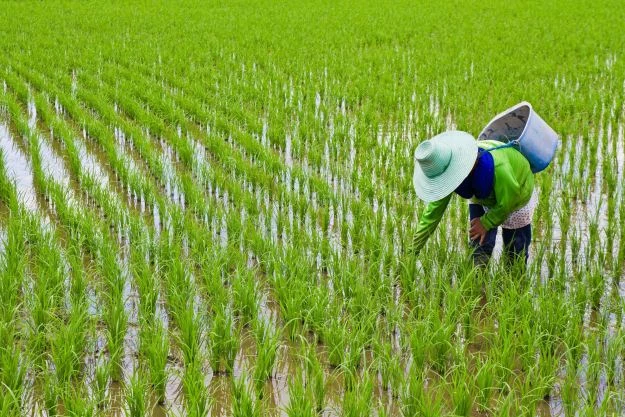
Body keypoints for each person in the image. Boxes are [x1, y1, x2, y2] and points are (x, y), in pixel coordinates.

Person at [409, 130, 536, 267]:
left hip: (517, 193)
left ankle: (515, 282)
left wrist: (486, 222)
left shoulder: (499, 168)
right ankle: (478, 283)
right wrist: (412, 252)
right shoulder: (447, 172)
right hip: (482, 195)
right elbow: (432, 215)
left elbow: (509, 201)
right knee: (479, 246)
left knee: (515, 252)